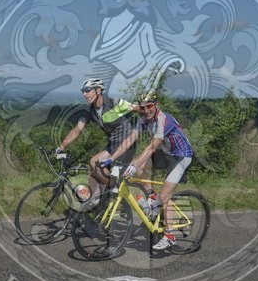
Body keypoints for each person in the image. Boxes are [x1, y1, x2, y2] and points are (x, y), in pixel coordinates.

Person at [107, 93, 193, 250]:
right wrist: (112, 158)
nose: (146, 110)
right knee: (137, 165)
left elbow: (152, 146)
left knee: (165, 195)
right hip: (166, 153)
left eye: (149, 106)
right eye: (143, 107)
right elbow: (130, 139)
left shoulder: (163, 120)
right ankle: (152, 196)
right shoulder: (143, 120)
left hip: (181, 156)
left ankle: (170, 236)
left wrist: (134, 165)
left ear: (156, 105)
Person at [56, 78, 136, 206]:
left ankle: (116, 189)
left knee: (96, 163)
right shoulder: (90, 111)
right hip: (113, 144)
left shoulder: (114, 102)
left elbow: (136, 108)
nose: (85, 94)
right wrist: (61, 147)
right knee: (93, 170)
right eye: (83, 91)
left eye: (88, 90)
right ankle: (96, 200)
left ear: (98, 90)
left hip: (126, 143)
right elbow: (77, 130)